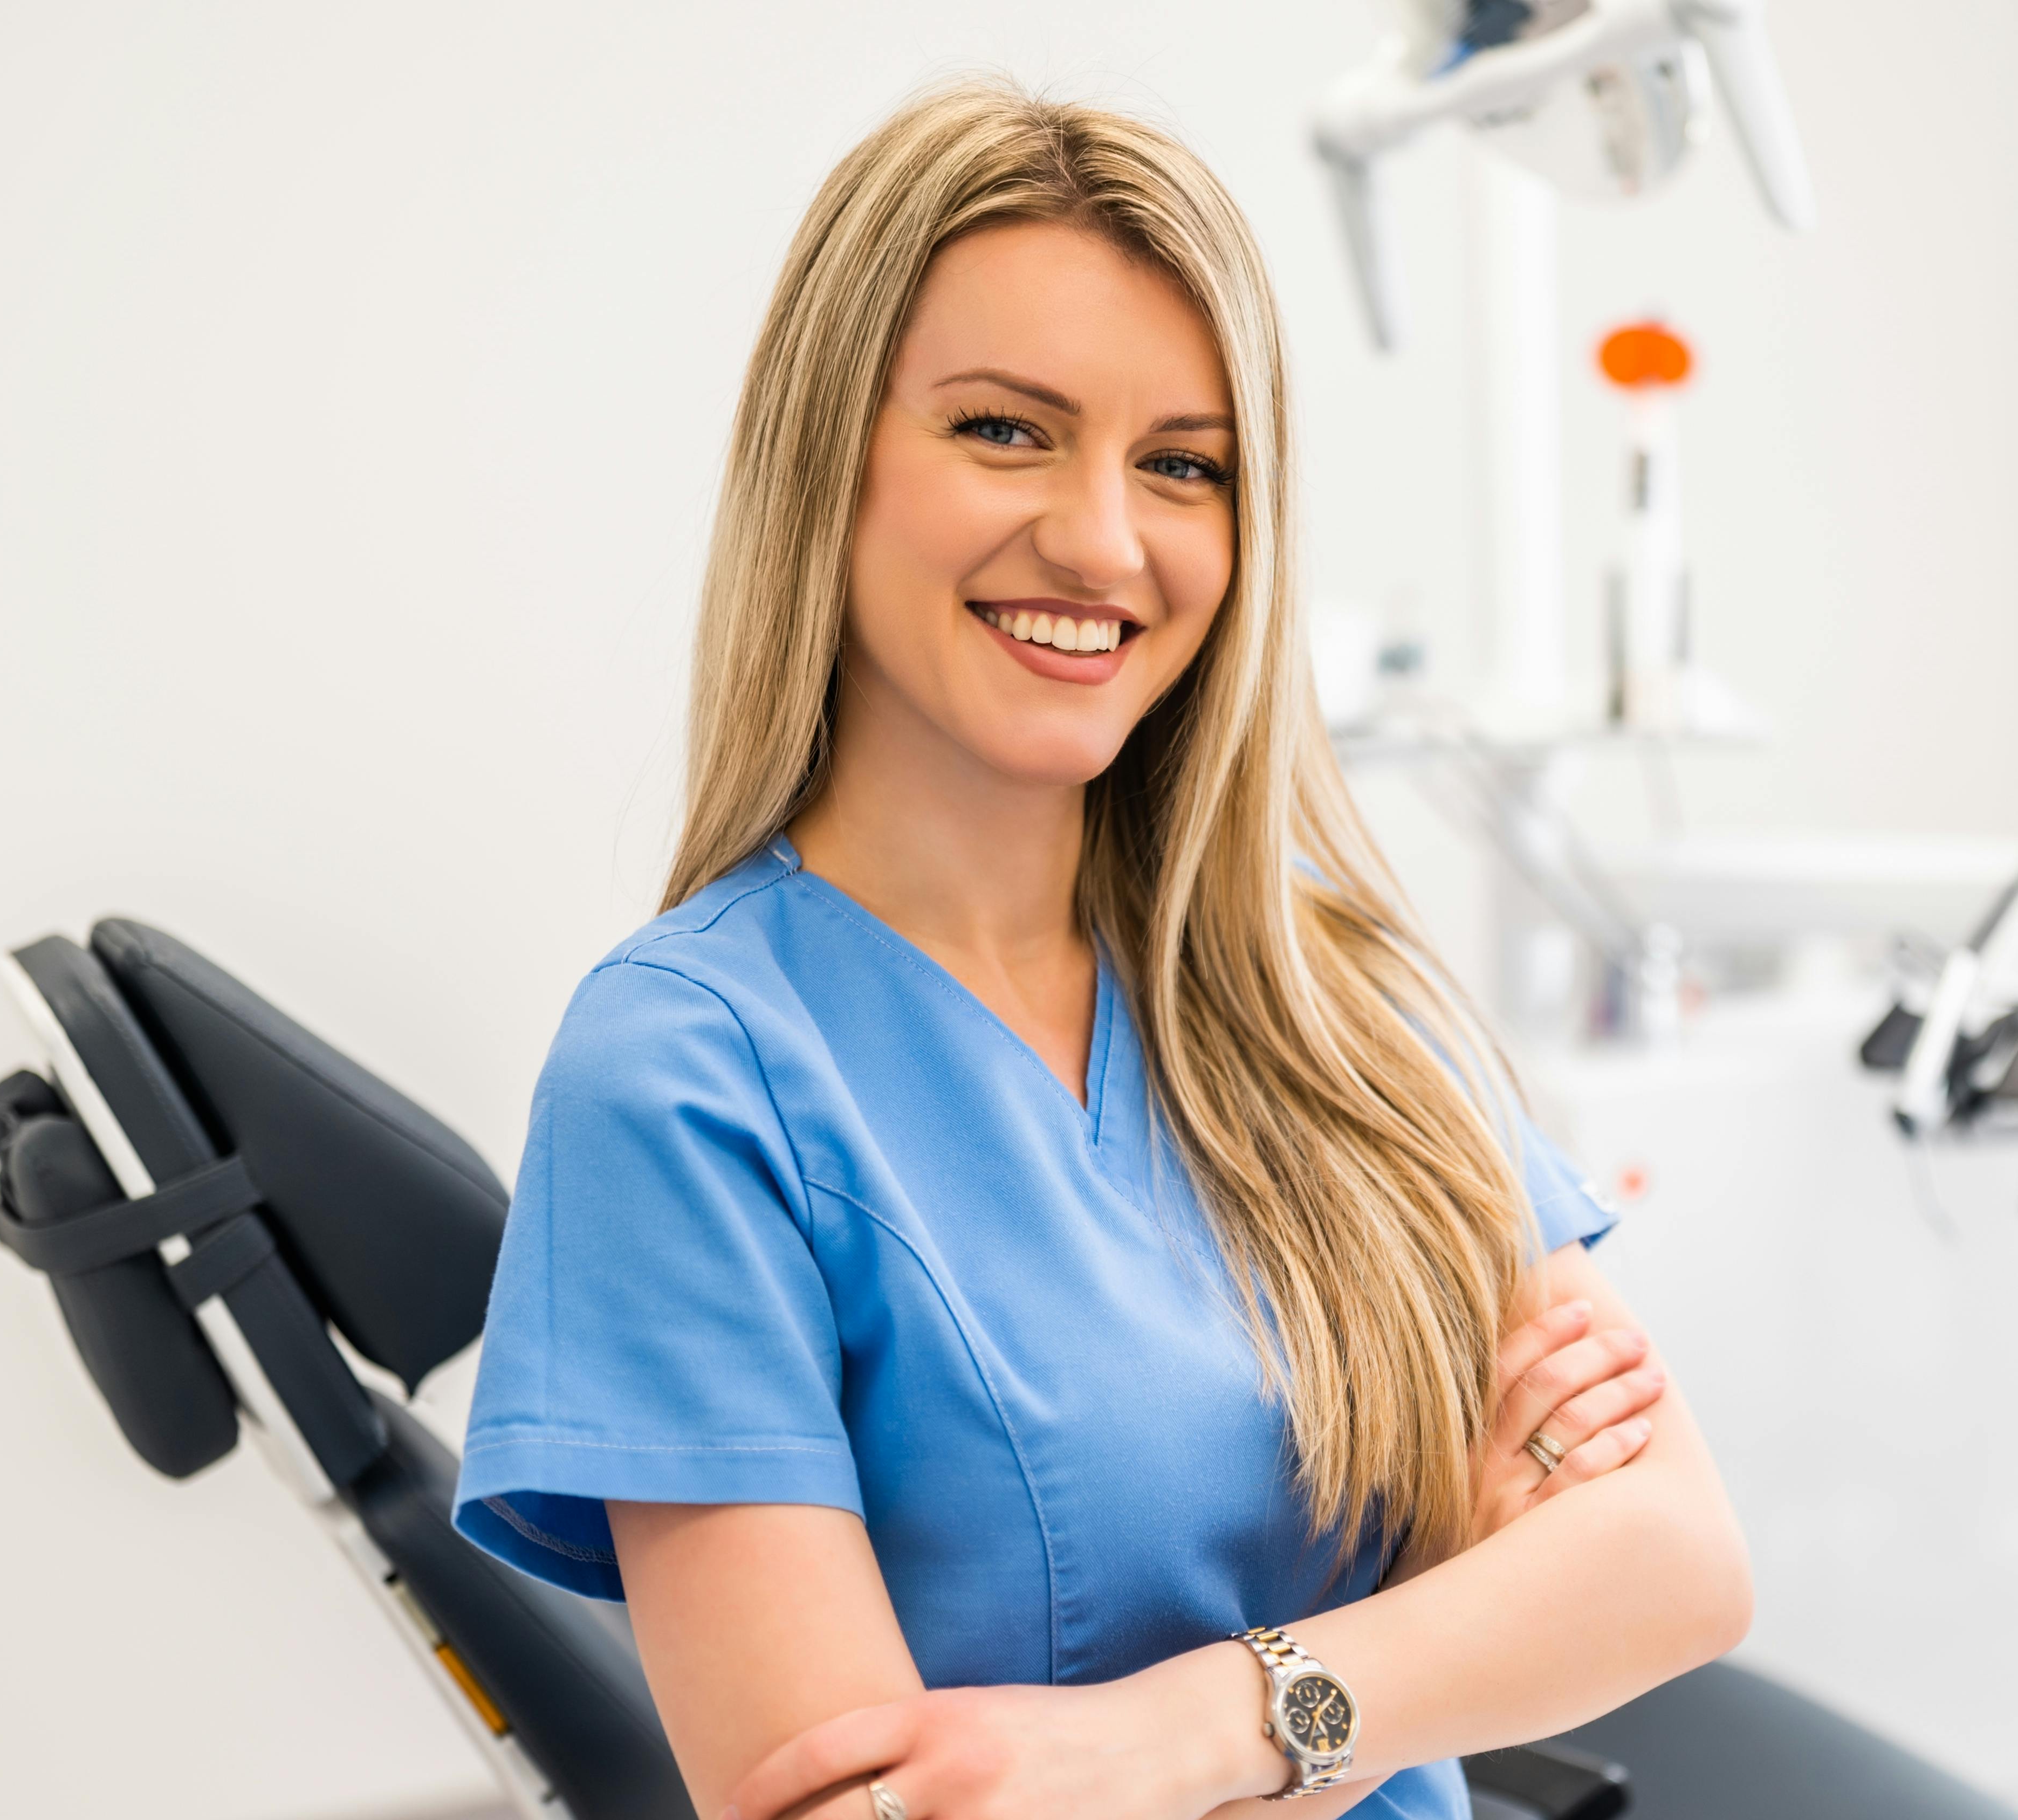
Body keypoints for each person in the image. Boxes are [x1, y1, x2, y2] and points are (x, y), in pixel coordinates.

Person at [454, 79, 1751, 1820]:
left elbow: (1675, 1558)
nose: (1102, 540)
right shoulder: (685, 1078)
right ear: (828, 456)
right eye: (1006, 431)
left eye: (1184, 466)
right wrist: (1443, 1608)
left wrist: (1185, 1732)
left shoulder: (1319, 988)